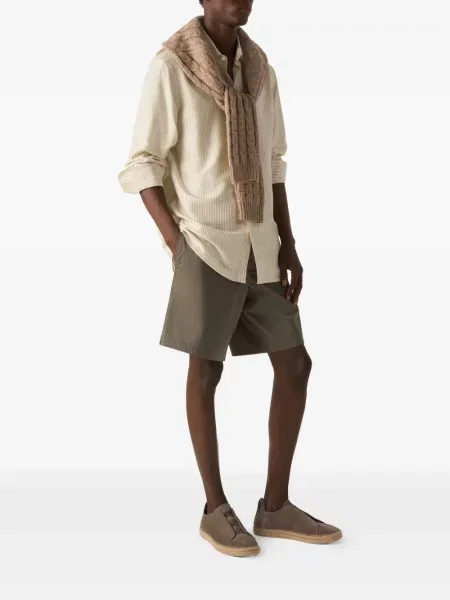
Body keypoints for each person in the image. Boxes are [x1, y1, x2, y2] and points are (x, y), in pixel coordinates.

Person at [118, 0, 342, 557]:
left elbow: (273, 164)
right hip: (206, 242)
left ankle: (275, 507)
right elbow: (143, 163)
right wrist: (177, 245)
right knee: (206, 371)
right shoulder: (172, 66)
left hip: (260, 244)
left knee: (295, 363)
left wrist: (289, 243)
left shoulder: (261, 70)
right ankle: (214, 509)